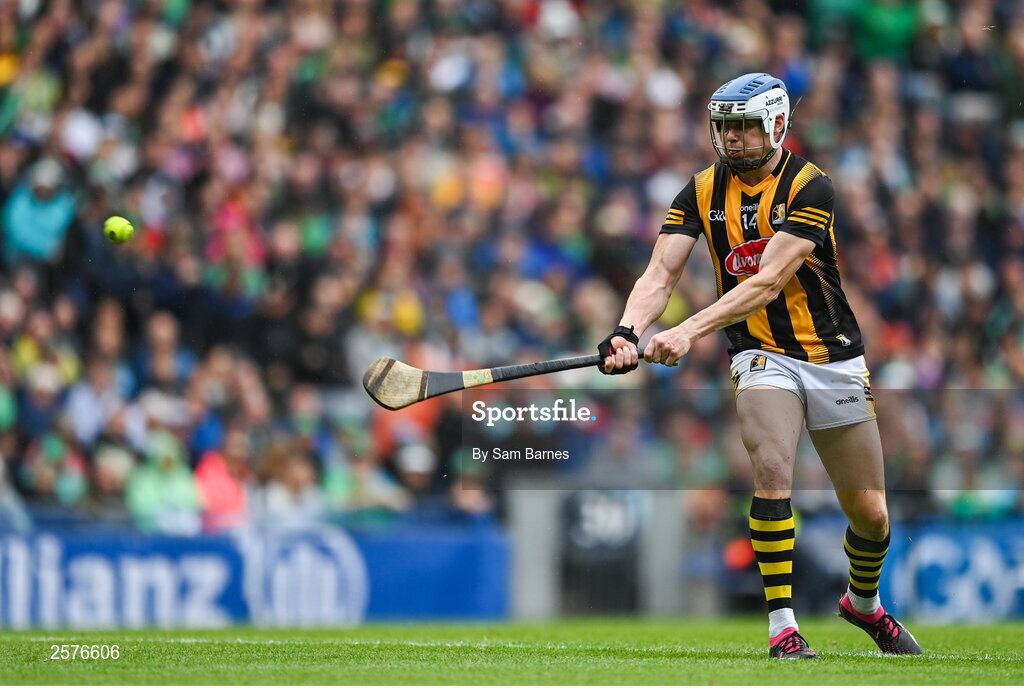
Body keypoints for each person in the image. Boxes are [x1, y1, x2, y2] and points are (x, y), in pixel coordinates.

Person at [597, 73, 922, 659]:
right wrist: (627, 330)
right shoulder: (697, 190)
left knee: (870, 514)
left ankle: (863, 604)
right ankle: (783, 628)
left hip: (831, 355)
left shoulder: (810, 185)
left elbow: (768, 280)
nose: (733, 138)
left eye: (745, 126)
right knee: (772, 468)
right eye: (724, 127)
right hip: (758, 353)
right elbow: (660, 274)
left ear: (775, 124)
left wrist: (688, 330)